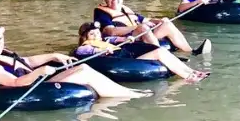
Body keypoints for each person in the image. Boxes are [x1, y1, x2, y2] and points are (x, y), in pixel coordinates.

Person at [0, 25, 149, 98]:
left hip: (37, 80)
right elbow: (15, 82)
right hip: (30, 88)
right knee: (84, 73)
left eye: (0, 39)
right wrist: (40, 71)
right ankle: (132, 96)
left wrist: (54, 55)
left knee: (83, 66)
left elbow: (27, 61)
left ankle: (127, 92)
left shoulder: (3, 55)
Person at [93, 0, 212, 55]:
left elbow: (145, 19)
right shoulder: (101, 12)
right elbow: (110, 31)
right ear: (105, 0)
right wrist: (137, 27)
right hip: (125, 40)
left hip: (141, 35)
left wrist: (160, 21)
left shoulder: (126, 10)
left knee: (166, 23)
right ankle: (163, 57)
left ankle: (191, 51)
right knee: (142, 27)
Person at [74, 22, 210, 83]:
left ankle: (192, 71)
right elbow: (87, 51)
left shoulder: (107, 39)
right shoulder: (84, 47)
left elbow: (120, 39)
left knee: (161, 50)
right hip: (123, 62)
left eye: (97, 33)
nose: (97, 36)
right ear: (85, 37)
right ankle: (188, 77)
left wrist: (130, 38)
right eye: (92, 34)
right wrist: (102, 50)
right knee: (159, 53)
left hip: (128, 57)